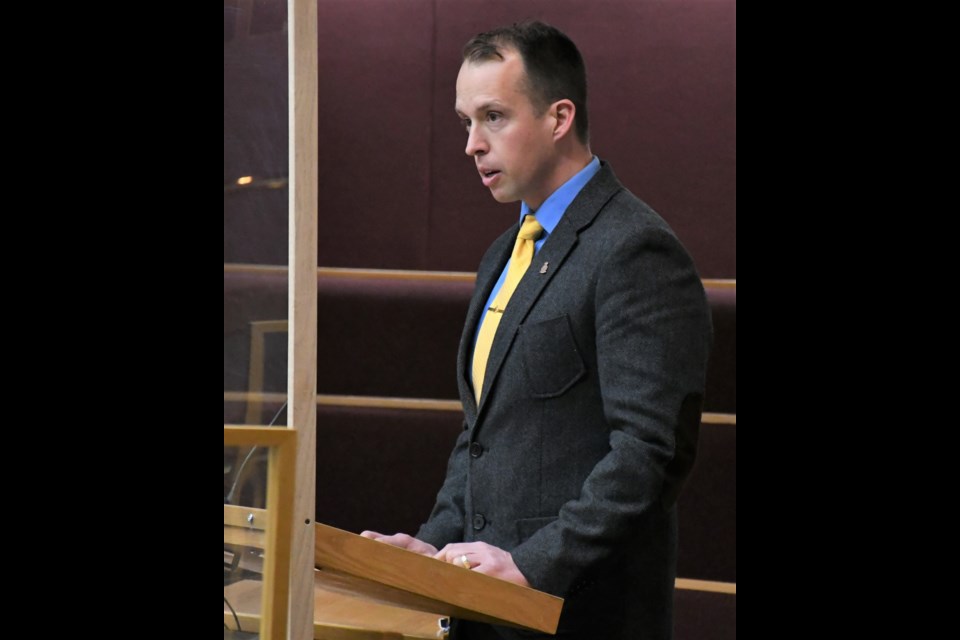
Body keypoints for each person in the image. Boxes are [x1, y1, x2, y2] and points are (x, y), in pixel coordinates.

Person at [362, 20, 712, 639]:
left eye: (493, 116)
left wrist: (531, 564)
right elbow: (485, 439)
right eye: (464, 121)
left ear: (559, 118)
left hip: (581, 617)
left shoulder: (636, 250)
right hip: (485, 615)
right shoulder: (504, 252)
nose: (472, 143)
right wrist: (432, 548)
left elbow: (649, 454)